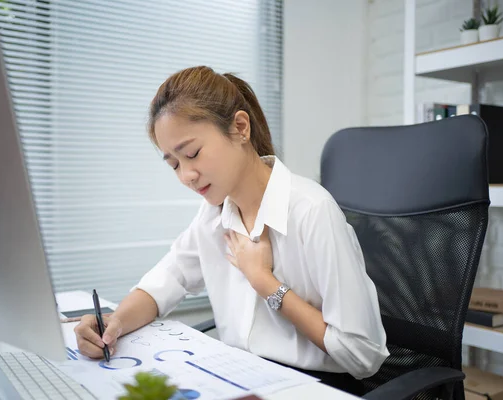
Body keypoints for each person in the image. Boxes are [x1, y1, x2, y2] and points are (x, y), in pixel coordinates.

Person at [74, 66, 389, 395]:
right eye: (174, 164)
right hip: (241, 378)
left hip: (313, 387)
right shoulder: (214, 213)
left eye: (193, 154)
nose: (186, 176)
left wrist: (265, 283)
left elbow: (361, 354)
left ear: (240, 127)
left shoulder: (311, 211)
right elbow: (168, 279)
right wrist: (114, 324)